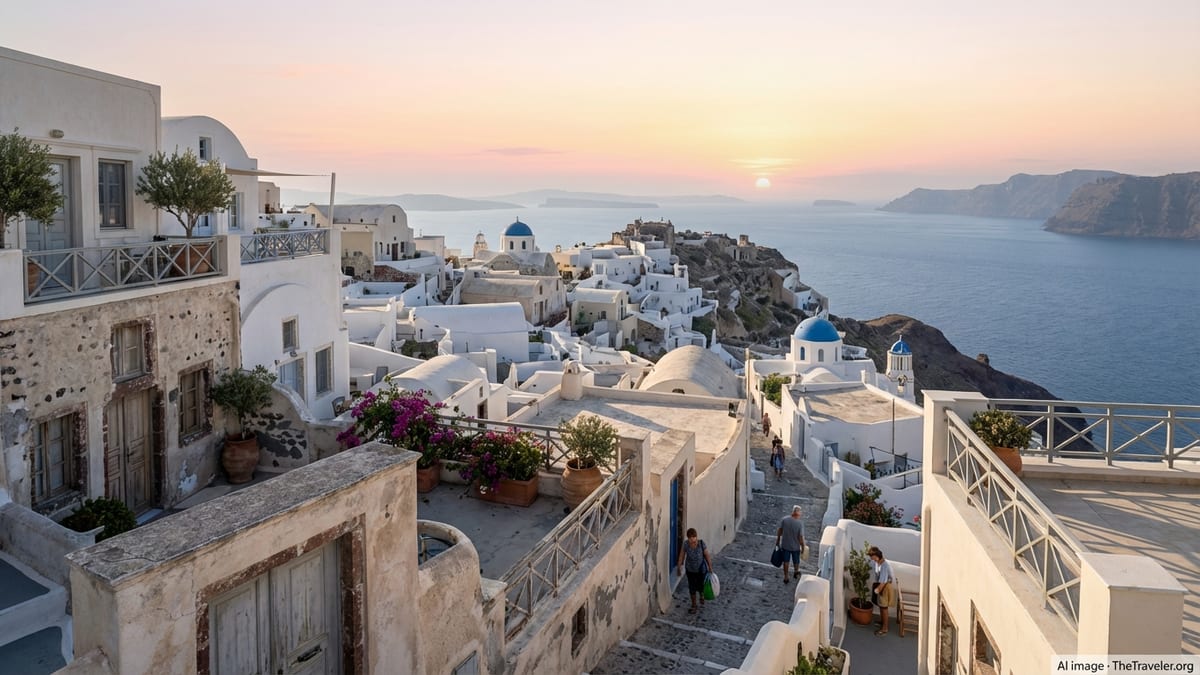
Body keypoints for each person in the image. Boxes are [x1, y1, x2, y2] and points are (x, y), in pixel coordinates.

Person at [676, 528, 714, 614]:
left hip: (701, 570)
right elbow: (682, 555)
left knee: (701, 586)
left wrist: (710, 567)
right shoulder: (686, 544)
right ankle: (694, 606)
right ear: (688, 538)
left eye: (694, 537)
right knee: (692, 588)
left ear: (696, 537)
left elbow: (707, 555)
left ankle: (701, 595)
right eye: (690, 538)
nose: (692, 540)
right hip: (690, 570)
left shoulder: (701, 544)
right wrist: (679, 567)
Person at [775, 505, 807, 584]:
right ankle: (796, 572)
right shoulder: (800, 524)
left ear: (792, 512)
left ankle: (786, 577)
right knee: (796, 561)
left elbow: (780, 531)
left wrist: (778, 540)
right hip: (795, 547)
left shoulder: (784, 520)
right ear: (798, 514)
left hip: (785, 545)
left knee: (786, 561)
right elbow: (800, 538)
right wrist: (803, 547)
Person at [869, 546, 896, 636]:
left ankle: (885, 628)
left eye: (872, 557)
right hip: (881, 585)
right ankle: (882, 621)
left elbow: (884, 580)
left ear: (877, 556)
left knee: (884, 607)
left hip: (885, 586)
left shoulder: (884, 565)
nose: (872, 559)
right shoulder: (878, 563)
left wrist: (877, 590)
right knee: (881, 605)